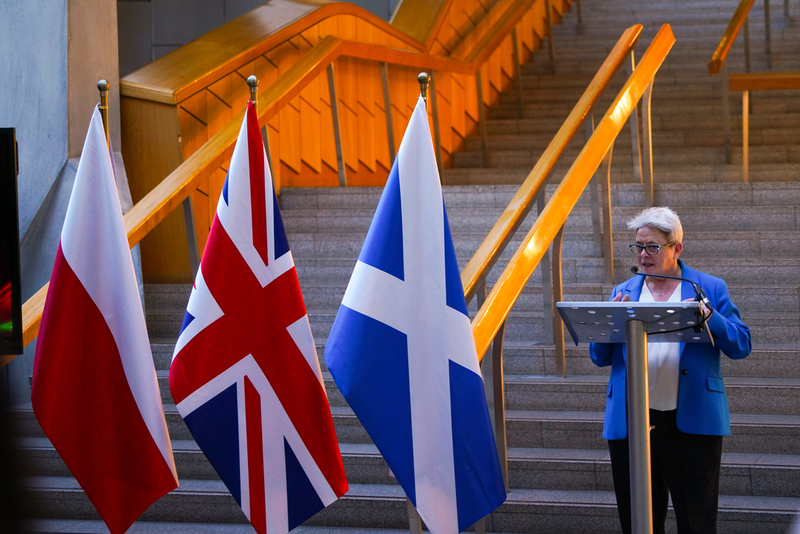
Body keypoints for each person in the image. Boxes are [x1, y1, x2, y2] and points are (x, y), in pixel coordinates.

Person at [589, 206, 751, 534]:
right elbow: (599, 356)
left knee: (697, 520)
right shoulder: (623, 292)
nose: (643, 255)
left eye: (652, 247)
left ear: (676, 248)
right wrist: (611, 322)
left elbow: (741, 344)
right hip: (632, 421)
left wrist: (712, 317)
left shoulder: (709, 287)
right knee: (639, 519)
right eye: (638, 247)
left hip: (692, 419)